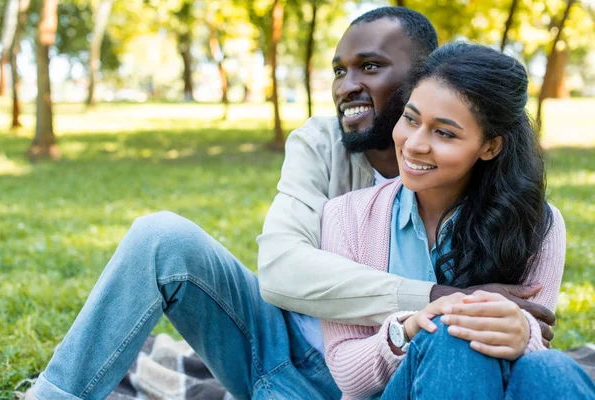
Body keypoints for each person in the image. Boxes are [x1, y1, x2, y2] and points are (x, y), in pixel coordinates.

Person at [28, 8, 552, 400]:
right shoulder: (319, 144)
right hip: (273, 347)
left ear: (425, 78)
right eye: (340, 70)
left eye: (370, 67)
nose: (349, 86)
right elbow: (279, 271)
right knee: (160, 237)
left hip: (384, 377)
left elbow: (532, 336)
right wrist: (441, 296)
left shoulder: (515, 215)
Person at [319, 42, 595, 399]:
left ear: (490, 146)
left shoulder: (538, 223)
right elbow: (346, 375)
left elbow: (533, 358)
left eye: (444, 133)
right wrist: (411, 327)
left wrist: (524, 335)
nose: (414, 144)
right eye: (411, 118)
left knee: (552, 369)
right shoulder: (346, 217)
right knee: (451, 334)